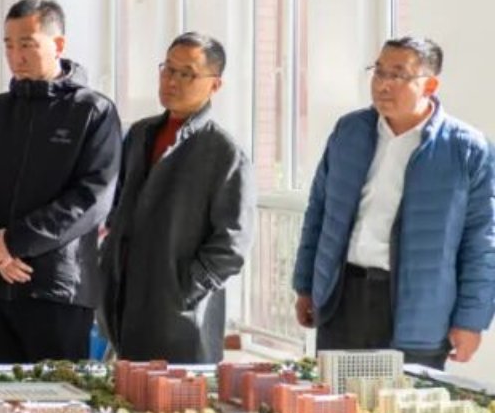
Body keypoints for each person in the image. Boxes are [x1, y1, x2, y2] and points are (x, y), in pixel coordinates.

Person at [293, 36, 494, 368]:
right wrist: (305, 286)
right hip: (341, 298)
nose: (383, 84)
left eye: (397, 75)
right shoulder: (349, 131)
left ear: (430, 84)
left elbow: (482, 242)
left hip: (418, 310)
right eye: (379, 72)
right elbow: (318, 212)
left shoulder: (467, 150)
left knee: (406, 401)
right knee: (334, 397)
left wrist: (471, 321)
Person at [0, 0, 121, 364]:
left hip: (57, 288)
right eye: (8, 45)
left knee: (56, 393)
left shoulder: (92, 111)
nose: (16, 56)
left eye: (26, 44)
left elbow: (93, 196)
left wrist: (14, 242)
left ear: (58, 45)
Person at [101, 34, 254, 364]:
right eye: (168, 69)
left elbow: (232, 245)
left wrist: (183, 290)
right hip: (125, 298)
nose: (171, 80)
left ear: (215, 85)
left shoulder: (223, 152)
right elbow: (118, 206)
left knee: (177, 394)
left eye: (187, 74)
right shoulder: (140, 134)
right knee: (127, 389)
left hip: (179, 316)